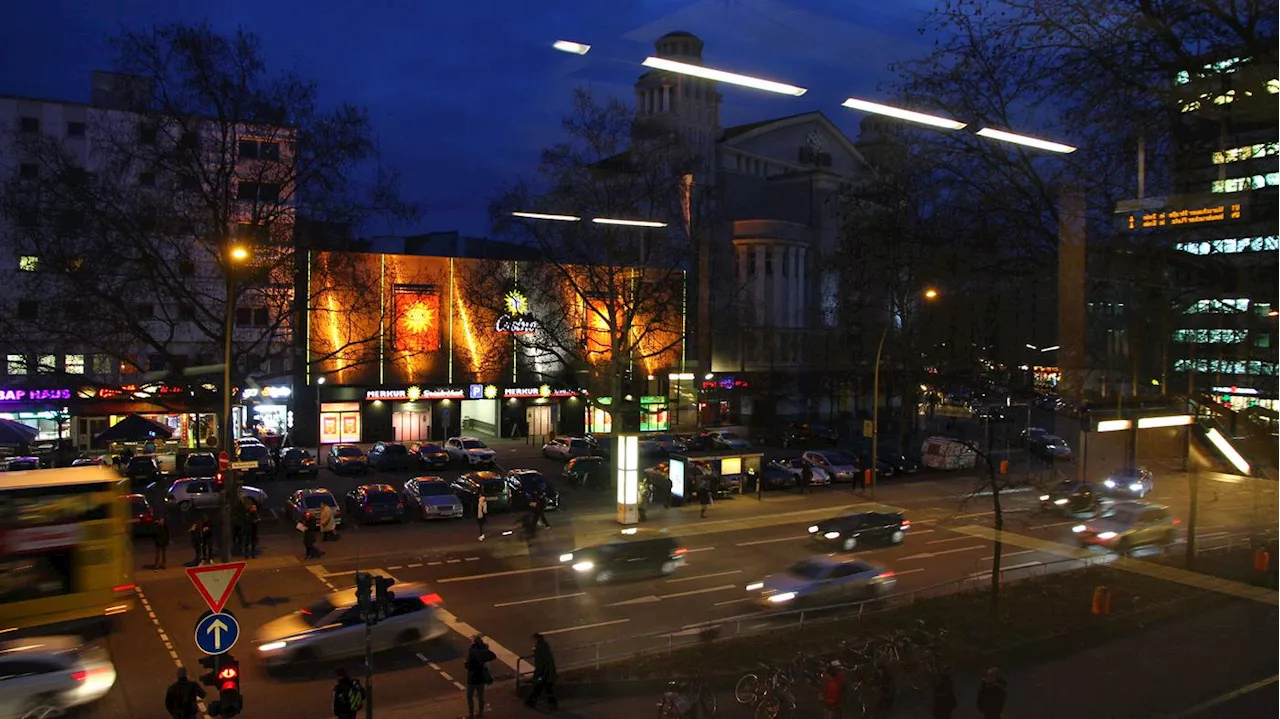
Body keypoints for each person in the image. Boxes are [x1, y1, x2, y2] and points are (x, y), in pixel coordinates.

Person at [464, 634, 496, 718]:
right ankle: (480, 714)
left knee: (469, 697)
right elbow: (492, 656)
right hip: (481, 677)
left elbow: (468, 665)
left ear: (474, 642)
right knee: (481, 696)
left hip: (472, 677)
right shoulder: (484, 649)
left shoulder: (472, 651)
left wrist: (467, 664)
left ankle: (471, 715)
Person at [524, 632, 557, 710]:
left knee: (539, 687)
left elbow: (541, 665)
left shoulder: (540, 650)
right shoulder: (545, 648)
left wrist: (538, 675)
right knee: (547, 689)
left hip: (543, 674)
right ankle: (552, 705)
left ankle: (531, 702)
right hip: (548, 673)